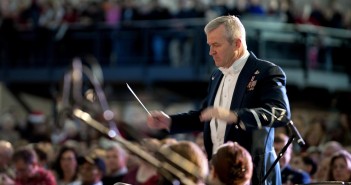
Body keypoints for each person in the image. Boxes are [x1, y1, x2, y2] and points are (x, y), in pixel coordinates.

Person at [147, 15, 291, 185]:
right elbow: (206, 115)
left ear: (237, 43)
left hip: (253, 175)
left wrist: (237, 116)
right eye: (209, 45)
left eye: (216, 45)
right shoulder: (217, 75)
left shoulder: (266, 71)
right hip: (216, 174)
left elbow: (281, 112)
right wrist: (170, 121)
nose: (211, 52)